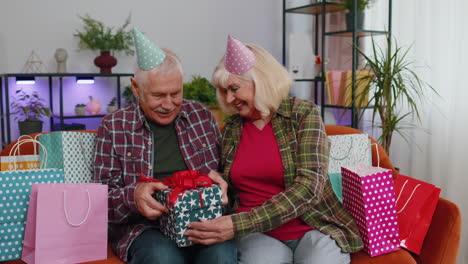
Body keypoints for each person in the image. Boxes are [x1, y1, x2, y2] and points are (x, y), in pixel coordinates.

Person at [184, 35, 364, 264]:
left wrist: (238, 224)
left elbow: (310, 187)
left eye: (234, 88)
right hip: (256, 235)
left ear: (260, 80)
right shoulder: (231, 128)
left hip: (312, 226)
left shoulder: (303, 114)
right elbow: (231, 179)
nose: (229, 98)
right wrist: (217, 182)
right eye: (224, 91)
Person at [93, 28, 236, 264]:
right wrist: (134, 195)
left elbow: (227, 175)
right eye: (159, 95)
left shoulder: (201, 115)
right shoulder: (114, 126)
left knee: (221, 256)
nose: (169, 104)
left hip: (203, 220)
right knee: (163, 258)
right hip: (144, 228)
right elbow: (100, 200)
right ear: (136, 88)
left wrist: (222, 183)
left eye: (176, 93)